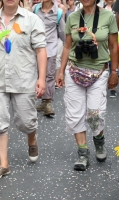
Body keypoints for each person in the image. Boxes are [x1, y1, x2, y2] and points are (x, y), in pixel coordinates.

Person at [0, 0, 47, 180]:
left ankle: (32, 139)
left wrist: (41, 78)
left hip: (23, 79)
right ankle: (4, 164)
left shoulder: (31, 19)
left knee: (26, 121)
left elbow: (40, 51)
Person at [56, 0, 118, 171]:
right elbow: (67, 46)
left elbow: (113, 46)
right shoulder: (73, 17)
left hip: (99, 72)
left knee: (94, 113)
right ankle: (82, 153)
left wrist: (114, 71)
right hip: (75, 70)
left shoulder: (108, 16)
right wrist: (60, 71)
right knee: (75, 114)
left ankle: (99, 141)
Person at [33, 0, 66, 116]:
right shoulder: (35, 9)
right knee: (35, 74)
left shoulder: (58, 12)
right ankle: (35, 99)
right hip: (35, 48)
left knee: (49, 75)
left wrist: (68, 46)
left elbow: (62, 32)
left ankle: (47, 102)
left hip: (50, 48)